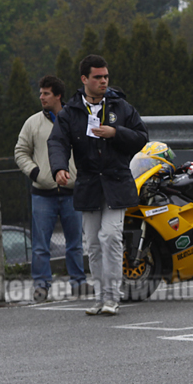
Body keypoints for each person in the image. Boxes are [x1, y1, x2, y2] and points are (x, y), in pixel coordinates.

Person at [48, 55, 148, 315]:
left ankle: (113, 298)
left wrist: (117, 133)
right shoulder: (70, 112)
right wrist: (59, 168)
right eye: (97, 77)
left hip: (117, 182)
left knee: (111, 236)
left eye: (106, 77)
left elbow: (141, 137)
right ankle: (100, 297)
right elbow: (57, 142)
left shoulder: (122, 107)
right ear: (84, 80)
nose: (103, 81)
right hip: (89, 184)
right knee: (92, 242)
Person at [14, 75, 87, 302]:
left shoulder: (76, 119)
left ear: (58, 95)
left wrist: (80, 174)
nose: (41, 97)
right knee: (40, 245)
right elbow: (20, 152)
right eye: (40, 93)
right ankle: (41, 286)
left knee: (75, 243)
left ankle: (79, 283)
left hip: (72, 192)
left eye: (46, 93)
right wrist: (36, 173)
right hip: (42, 193)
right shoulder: (32, 123)